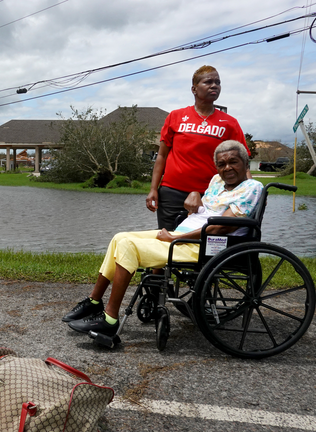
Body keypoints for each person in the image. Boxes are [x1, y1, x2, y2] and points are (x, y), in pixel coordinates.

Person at [63, 140, 262, 337]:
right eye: (221, 164)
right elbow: (207, 210)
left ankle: (109, 319)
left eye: (233, 162)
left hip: (202, 245)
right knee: (119, 237)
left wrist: (177, 238)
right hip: (183, 236)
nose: (227, 168)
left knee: (127, 246)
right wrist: (195, 195)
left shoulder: (251, 187)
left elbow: (218, 227)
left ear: (245, 164)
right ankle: (94, 302)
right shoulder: (217, 182)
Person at [147, 65, 251, 231]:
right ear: (194, 89)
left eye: (218, 82)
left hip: (211, 196)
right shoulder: (175, 116)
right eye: (208, 82)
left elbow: (243, 163)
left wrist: (249, 190)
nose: (214, 85)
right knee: (169, 242)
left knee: (204, 243)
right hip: (172, 193)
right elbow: (162, 156)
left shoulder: (230, 123)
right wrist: (153, 189)